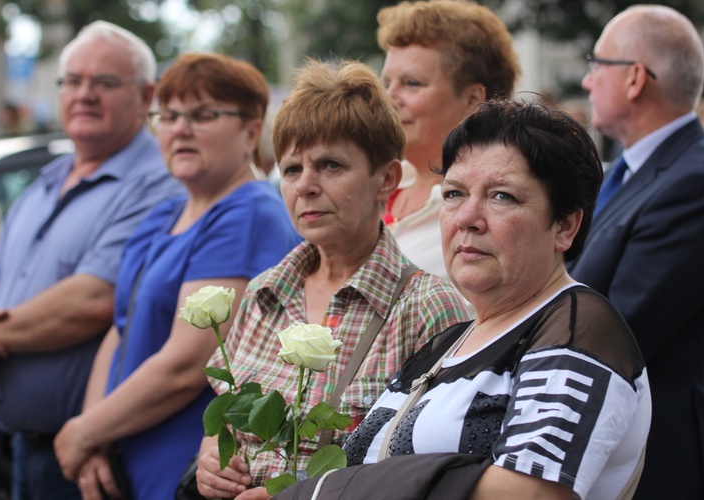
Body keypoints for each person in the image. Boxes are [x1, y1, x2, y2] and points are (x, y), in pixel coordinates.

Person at [276, 99, 651, 500]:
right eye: (454, 193)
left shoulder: (577, 327)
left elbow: (530, 494)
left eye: (502, 196)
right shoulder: (446, 343)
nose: (467, 217)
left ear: (565, 225)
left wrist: (323, 493)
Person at [194, 59, 472, 499]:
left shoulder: (429, 308)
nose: (305, 185)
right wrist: (213, 456)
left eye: (330, 165)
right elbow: (226, 416)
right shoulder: (265, 292)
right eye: (291, 169)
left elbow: (430, 471)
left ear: (387, 178)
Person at [52, 52, 301, 499]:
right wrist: (91, 435)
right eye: (168, 115)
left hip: (182, 471)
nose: (180, 128)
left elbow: (189, 363)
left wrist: (85, 431)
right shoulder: (162, 214)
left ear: (249, 130)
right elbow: (120, 328)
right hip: (116, 458)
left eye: (203, 115)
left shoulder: (249, 212)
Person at [0, 21, 184, 499]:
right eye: (73, 80)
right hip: (13, 443)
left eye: (104, 82)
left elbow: (95, 299)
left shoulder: (158, 184)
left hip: (87, 455)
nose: (84, 94)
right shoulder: (47, 179)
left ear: (147, 95)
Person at [568, 6, 704, 499]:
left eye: (597, 64)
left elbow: (621, 329)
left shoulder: (696, 182)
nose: (588, 81)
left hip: (650, 467)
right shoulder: (626, 170)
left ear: (634, 78)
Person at [378, 0, 520, 280]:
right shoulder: (376, 184)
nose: (387, 100)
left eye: (412, 83)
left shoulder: (496, 215)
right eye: (386, 84)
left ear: (473, 101)